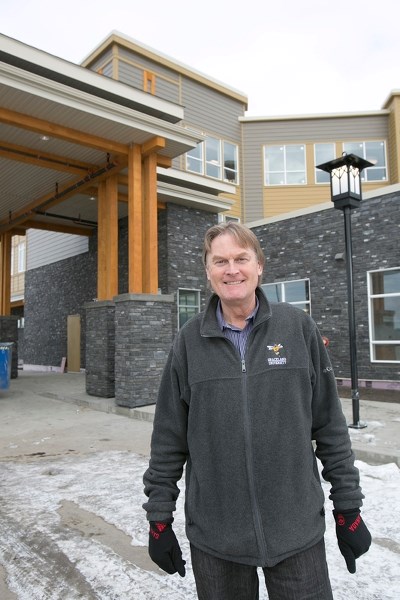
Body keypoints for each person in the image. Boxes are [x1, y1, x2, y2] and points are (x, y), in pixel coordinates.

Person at [143, 222, 371, 599]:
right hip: (217, 540)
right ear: (208, 271)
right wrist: (158, 519)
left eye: (240, 258)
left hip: (296, 534)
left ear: (259, 266)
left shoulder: (298, 328)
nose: (231, 269)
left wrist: (347, 508)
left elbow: (329, 426)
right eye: (220, 261)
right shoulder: (187, 344)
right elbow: (168, 440)